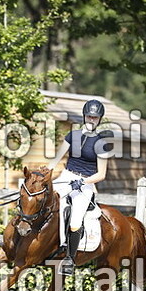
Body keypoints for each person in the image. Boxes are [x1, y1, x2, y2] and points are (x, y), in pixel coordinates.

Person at [47, 99, 112, 275]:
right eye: (89, 116)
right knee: (42, 200)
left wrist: (83, 182)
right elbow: (56, 159)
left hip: (86, 182)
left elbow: (102, 174)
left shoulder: (102, 143)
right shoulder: (72, 136)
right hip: (66, 176)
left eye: (95, 117)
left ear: (99, 119)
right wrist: (44, 172)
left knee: (76, 219)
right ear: (84, 116)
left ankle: (70, 258)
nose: (91, 120)